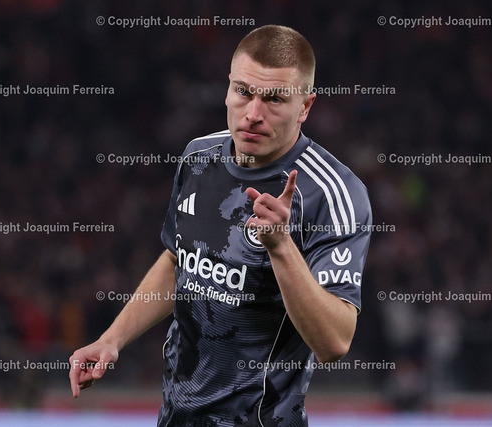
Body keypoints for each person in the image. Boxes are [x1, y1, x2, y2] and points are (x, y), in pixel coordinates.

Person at [69, 24, 372, 426]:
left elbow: (335, 342)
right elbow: (180, 261)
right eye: (243, 91)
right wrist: (112, 340)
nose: (253, 114)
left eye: (274, 99)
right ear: (228, 88)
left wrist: (281, 247)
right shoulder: (199, 157)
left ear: (305, 106)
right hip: (175, 417)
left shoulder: (333, 194)